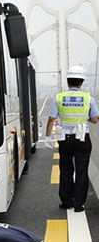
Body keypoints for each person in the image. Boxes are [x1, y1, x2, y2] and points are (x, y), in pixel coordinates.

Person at [45, 65, 99, 212]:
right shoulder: (88, 98)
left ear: (68, 81)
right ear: (81, 82)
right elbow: (95, 119)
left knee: (66, 169)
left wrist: (47, 137)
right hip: (82, 139)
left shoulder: (59, 97)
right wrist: (84, 117)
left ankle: (66, 201)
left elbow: (51, 118)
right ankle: (79, 204)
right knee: (82, 170)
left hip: (65, 139)